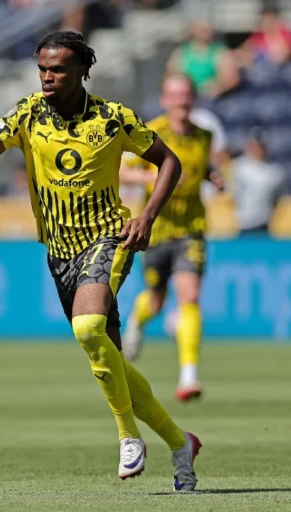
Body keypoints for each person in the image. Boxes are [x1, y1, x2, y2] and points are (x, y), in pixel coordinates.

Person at [0, 31, 201, 490]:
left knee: (88, 329)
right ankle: (181, 443)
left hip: (108, 239)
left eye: (57, 69)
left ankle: (127, 436)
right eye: (42, 69)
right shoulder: (26, 114)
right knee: (109, 359)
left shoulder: (113, 118)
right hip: (58, 254)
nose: (47, 77)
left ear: (82, 71)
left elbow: (168, 161)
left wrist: (148, 217)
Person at [120, 73, 225, 402]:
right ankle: (137, 320)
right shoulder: (151, 133)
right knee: (155, 300)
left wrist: (214, 176)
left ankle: (188, 376)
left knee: (190, 297)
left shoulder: (204, 136)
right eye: (175, 95)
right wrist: (152, 175)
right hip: (157, 229)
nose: (181, 101)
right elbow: (121, 169)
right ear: (165, 100)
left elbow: (203, 166)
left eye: (186, 95)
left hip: (191, 228)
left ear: (192, 99)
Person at [167, 20, 240, 99]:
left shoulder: (219, 52)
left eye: (207, 29)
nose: (206, 33)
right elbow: (171, 74)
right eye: (202, 29)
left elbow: (231, 78)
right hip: (187, 96)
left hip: (213, 99)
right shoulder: (182, 52)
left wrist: (216, 87)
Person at [232, 128, 286, 235]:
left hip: (264, 224)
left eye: (260, 146)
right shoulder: (238, 167)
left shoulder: (275, 172)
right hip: (244, 224)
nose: (257, 149)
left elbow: (277, 199)